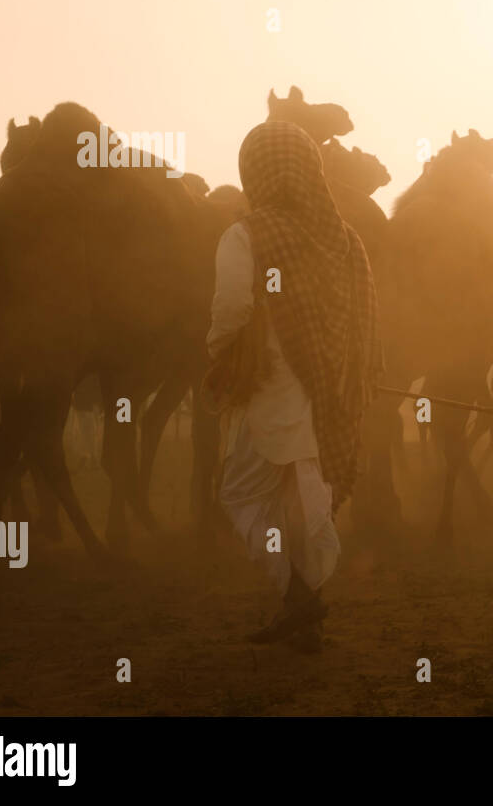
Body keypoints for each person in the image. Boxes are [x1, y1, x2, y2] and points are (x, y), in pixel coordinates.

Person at [206, 120, 378, 652]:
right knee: (307, 501)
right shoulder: (346, 239)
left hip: (272, 392)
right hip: (333, 395)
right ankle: (304, 610)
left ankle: (301, 600)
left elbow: (231, 310)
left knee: (244, 493)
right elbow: (362, 321)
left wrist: (221, 355)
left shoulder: (247, 234)